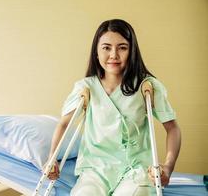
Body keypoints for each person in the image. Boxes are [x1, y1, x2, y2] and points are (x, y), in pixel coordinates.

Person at [46, 19, 181, 196]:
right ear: (96, 52)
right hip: (95, 170)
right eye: (106, 47)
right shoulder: (86, 88)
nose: (114, 55)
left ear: (132, 51)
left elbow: (172, 128)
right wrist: (51, 159)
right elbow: (64, 124)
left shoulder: (146, 86)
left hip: (135, 169)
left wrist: (168, 167)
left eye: (122, 47)